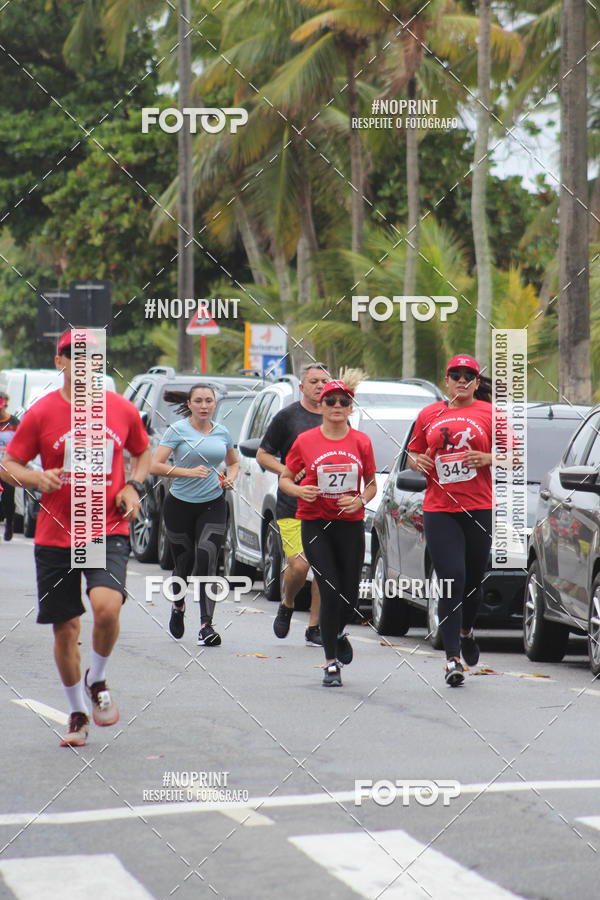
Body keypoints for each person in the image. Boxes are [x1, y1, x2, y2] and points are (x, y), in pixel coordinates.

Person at [3, 329, 151, 745]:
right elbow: (9, 464)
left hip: (104, 526)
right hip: (55, 533)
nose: (85, 364)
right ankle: (76, 713)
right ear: (61, 362)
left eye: (93, 357)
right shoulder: (42, 412)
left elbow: (143, 451)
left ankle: (97, 680)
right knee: (65, 629)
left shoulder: (121, 409)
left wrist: (133, 486)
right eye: (76, 356)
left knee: (106, 608)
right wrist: (35, 476)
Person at [406, 354, 510, 687]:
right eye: (455, 374)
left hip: (479, 508)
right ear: (446, 380)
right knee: (452, 577)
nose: (462, 380)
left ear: (477, 383)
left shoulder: (491, 414)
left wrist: (489, 457)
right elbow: (412, 455)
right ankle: (452, 659)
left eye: (469, 375)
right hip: (440, 509)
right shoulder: (428, 414)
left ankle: (466, 630)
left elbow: (515, 455)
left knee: (473, 584)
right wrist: (417, 461)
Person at [279, 378, 377, 686]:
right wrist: (299, 491)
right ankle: (330, 663)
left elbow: (372, 484)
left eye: (343, 402)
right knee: (330, 588)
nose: (336, 406)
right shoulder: (306, 441)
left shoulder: (361, 442)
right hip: (315, 522)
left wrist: (360, 499)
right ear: (320, 405)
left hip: (350, 524)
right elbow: (285, 478)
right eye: (330, 401)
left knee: (349, 594)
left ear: (351, 407)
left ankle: (338, 631)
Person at [150, 384, 239, 646]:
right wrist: (188, 472)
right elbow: (155, 465)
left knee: (207, 557)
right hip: (179, 505)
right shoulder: (177, 430)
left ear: (214, 404)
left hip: (213, 503)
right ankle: (178, 607)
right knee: (183, 563)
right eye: (198, 401)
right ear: (189, 404)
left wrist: (230, 478)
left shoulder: (222, 432)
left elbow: (233, 463)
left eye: (208, 401)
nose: (204, 405)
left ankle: (206, 626)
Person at [256, 363, 330, 646]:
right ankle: (287, 602)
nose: (319, 386)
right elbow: (263, 454)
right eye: (313, 381)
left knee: (323, 568)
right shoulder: (287, 417)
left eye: (324, 380)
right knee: (299, 567)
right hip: (293, 505)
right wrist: (286, 470)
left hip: (326, 506)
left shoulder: (335, 416)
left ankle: (314, 627)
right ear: (302, 386)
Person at [0, 391, 20, 541]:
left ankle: (9, 522)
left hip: (8, 466)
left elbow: (22, 442)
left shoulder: (14, 422)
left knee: (8, 497)